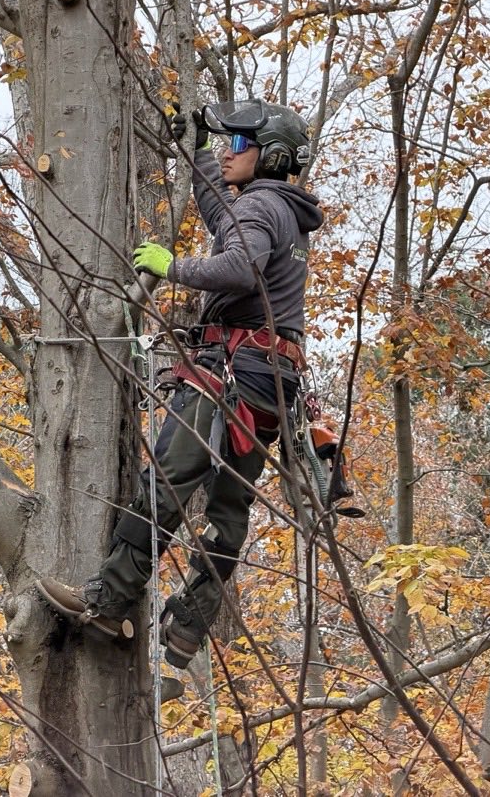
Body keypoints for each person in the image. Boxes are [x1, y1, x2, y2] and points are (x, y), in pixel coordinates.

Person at [36, 99, 323, 670]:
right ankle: (191, 622)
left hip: (234, 374)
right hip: (270, 381)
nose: (228, 151)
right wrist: (195, 154)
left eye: (238, 145)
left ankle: (109, 598)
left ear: (271, 156)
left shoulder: (263, 205)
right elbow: (223, 214)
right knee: (227, 508)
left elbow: (239, 266)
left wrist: (172, 266)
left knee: (166, 478)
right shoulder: (283, 211)